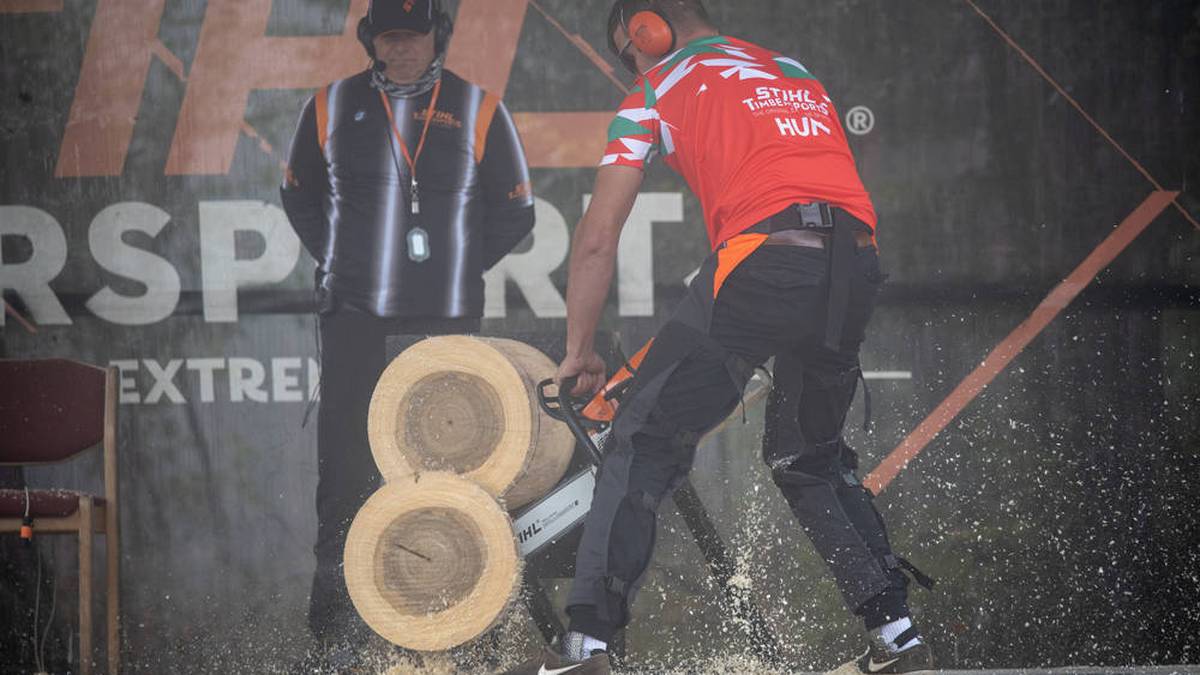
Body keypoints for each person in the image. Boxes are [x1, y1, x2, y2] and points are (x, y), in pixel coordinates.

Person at [502, 1, 933, 674]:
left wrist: (578, 350)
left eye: (627, 51)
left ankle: (588, 646)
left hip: (765, 256)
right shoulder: (793, 70)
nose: (630, 66)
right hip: (853, 260)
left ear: (650, 27)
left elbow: (597, 238)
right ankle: (897, 634)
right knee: (809, 457)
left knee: (642, 438)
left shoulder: (653, 90)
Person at [279, 0, 535, 666]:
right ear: (371, 41)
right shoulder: (330, 106)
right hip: (354, 319)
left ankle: (464, 636)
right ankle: (337, 637)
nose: (401, 50)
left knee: (453, 474)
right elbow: (297, 192)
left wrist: (456, 265)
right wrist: (339, 258)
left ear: (437, 36)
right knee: (345, 476)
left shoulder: (480, 107)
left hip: (444, 322)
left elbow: (518, 210)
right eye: (389, 38)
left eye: (413, 36)